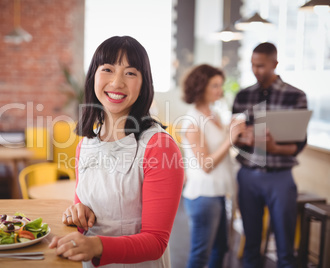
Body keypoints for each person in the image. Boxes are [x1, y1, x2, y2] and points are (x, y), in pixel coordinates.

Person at [49, 36, 184, 268]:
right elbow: (83, 208)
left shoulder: (159, 146)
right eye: (108, 69)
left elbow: (156, 242)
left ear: (143, 84)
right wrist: (77, 212)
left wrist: (97, 246)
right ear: (93, 76)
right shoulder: (86, 144)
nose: (117, 82)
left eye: (130, 73)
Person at [232, 42, 308, 268]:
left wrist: (274, 148)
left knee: (285, 248)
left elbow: (300, 143)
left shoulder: (296, 96)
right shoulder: (243, 95)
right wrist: (242, 137)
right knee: (251, 243)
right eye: (253, 65)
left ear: (275, 64)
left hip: (280, 177)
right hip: (247, 176)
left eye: (262, 66)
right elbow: (234, 138)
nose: (256, 70)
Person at [181, 64, 245, 268]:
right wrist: (230, 139)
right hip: (203, 196)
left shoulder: (214, 115)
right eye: (215, 85)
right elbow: (206, 164)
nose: (221, 90)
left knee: (221, 250)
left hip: (218, 193)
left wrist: (232, 132)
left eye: (221, 85)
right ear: (201, 87)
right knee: (200, 254)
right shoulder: (192, 121)